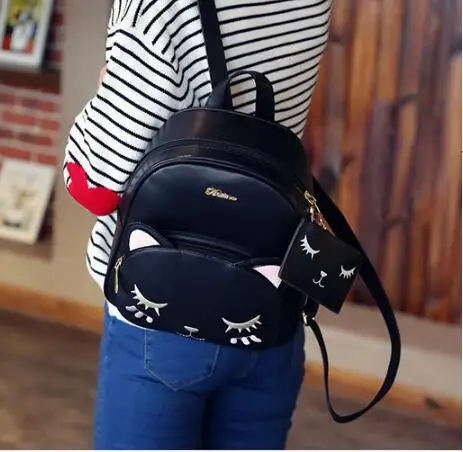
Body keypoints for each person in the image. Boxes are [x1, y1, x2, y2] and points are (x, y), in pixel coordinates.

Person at [63, 0, 332, 449]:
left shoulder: (160, 9)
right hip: (271, 303)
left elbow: (94, 185)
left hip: (162, 313)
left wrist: (105, 84)